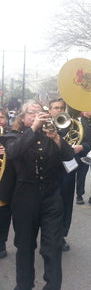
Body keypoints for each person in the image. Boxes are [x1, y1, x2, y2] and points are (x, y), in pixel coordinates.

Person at [4, 100, 74, 290]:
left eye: (39, 113)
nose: (36, 116)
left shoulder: (51, 134)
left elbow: (69, 158)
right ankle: (24, 286)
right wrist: (34, 128)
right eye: (31, 113)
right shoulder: (13, 135)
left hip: (51, 197)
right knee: (25, 247)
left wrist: (58, 139)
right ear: (23, 116)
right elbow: (12, 152)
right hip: (25, 197)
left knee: (53, 248)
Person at [48, 98, 78, 252]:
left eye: (61, 108)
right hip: (49, 173)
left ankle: (61, 236)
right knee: (50, 208)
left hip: (67, 172)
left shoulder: (71, 126)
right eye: (55, 108)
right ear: (49, 111)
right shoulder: (44, 128)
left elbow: (86, 144)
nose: (58, 110)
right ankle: (50, 236)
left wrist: (80, 147)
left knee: (66, 206)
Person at [0, 108, 13, 258]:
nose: (0, 120)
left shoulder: (10, 135)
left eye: (2, 117)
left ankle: (1, 242)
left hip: (5, 181)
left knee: (4, 214)